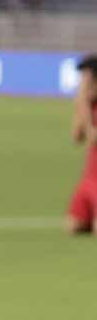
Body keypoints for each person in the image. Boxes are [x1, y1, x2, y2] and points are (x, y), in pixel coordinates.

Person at [68, 54, 97, 235]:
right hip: (89, 179)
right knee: (73, 228)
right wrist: (83, 104)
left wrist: (83, 101)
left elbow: (93, 136)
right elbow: (77, 136)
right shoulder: (88, 106)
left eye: (85, 79)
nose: (81, 84)